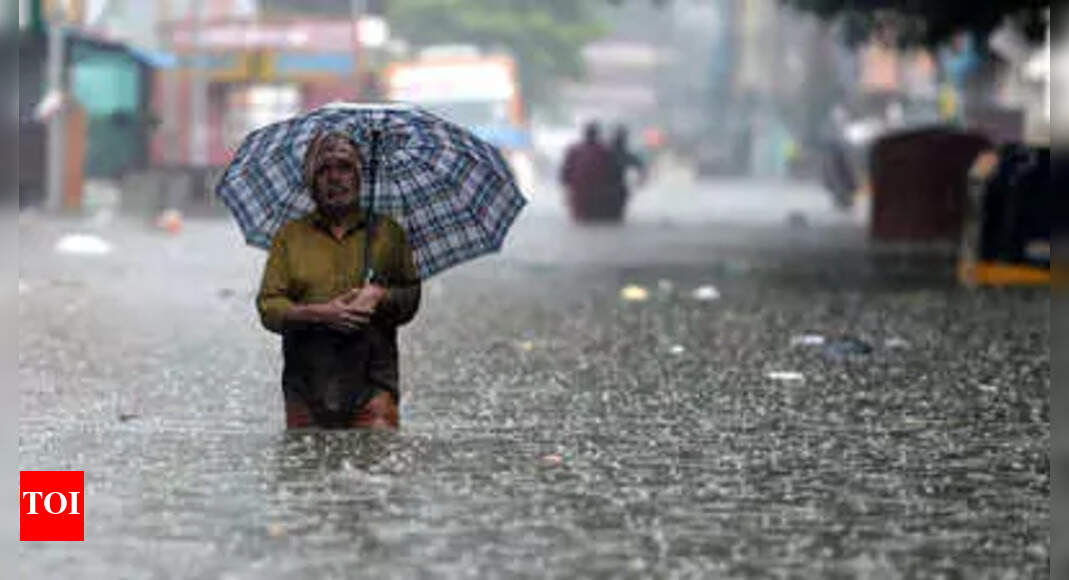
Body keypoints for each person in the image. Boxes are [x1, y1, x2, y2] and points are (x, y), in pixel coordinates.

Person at [257, 131, 421, 430]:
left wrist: (377, 295)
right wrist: (320, 313)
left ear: (360, 177)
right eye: (324, 170)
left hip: (373, 382)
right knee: (305, 467)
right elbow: (269, 307)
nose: (335, 177)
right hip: (306, 385)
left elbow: (410, 299)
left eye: (345, 167)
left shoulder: (389, 234)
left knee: (376, 466)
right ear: (311, 182)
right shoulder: (289, 237)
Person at [560, 122, 616, 222]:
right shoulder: (603, 150)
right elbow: (566, 169)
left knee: (584, 216)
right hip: (585, 189)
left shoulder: (602, 150)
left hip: (590, 190)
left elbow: (566, 169)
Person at [608, 125, 647, 221]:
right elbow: (640, 166)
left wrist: (640, 180)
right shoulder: (620, 154)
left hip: (615, 189)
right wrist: (640, 180)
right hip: (615, 189)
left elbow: (640, 166)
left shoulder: (607, 151)